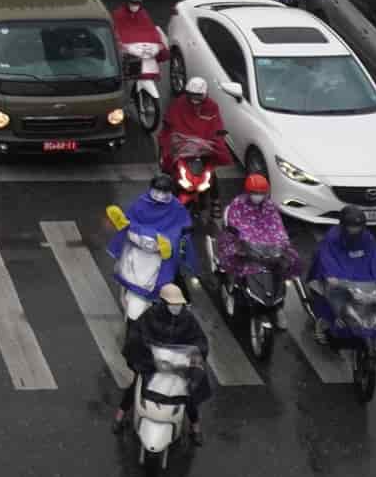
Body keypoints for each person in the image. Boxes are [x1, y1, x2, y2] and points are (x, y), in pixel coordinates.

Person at [112, 284, 213, 443]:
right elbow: (136, 335)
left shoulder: (187, 319)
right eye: (173, 304)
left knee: (189, 393)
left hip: (177, 366)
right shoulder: (150, 316)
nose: (177, 307)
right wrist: (145, 352)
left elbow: (200, 340)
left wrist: (194, 354)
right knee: (136, 385)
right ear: (164, 303)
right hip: (152, 365)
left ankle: (195, 426)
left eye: (179, 304)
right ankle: (120, 415)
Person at [305, 207, 376, 362]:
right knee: (329, 301)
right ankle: (321, 325)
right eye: (351, 226)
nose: (354, 230)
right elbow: (326, 258)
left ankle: (371, 342)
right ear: (343, 225)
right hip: (339, 278)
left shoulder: (367, 238)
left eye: (358, 227)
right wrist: (331, 276)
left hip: (363, 278)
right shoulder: (332, 239)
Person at [108, 173, 200, 301]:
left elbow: (183, 226)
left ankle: (184, 300)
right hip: (140, 246)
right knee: (123, 260)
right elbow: (130, 219)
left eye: (164, 191)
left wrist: (174, 240)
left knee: (175, 272)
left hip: (163, 251)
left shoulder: (177, 207)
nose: (160, 195)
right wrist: (125, 224)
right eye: (157, 190)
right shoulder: (142, 202)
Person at [216, 173, 301, 286]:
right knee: (232, 259)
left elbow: (277, 225)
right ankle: (231, 285)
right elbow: (236, 226)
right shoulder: (238, 205)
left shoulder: (269, 206)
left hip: (268, 249)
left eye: (261, 193)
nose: (258, 196)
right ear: (248, 191)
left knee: (292, 259)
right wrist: (244, 241)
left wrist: (283, 241)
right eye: (255, 193)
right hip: (246, 247)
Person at [158, 76, 228, 175]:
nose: (195, 97)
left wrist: (217, 138)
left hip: (205, 147)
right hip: (182, 145)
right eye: (192, 94)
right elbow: (170, 122)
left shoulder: (212, 106)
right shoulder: (179, 103)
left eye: (198, 95)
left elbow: (216, 125)